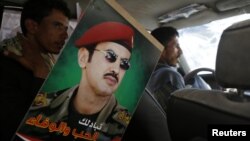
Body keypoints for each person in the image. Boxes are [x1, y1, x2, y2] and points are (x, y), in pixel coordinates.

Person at [16, 21, 134, 141]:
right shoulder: (40, 107)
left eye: (124, 64)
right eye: (110, 56)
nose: (116, 69)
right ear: (83, 58)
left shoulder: (125, 127)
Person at [0, 0, 70, 140]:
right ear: (32, 26)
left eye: (66, 29)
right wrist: (40, 74)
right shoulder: (6, 64)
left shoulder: (48, 63)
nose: (65, 36)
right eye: (57, 26)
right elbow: (27, 128)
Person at [147, 26, 185, 112]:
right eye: (176, 46)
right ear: (161, 50)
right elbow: (184, 113)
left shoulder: (145, 74)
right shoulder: (170, 75)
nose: (180, 51)